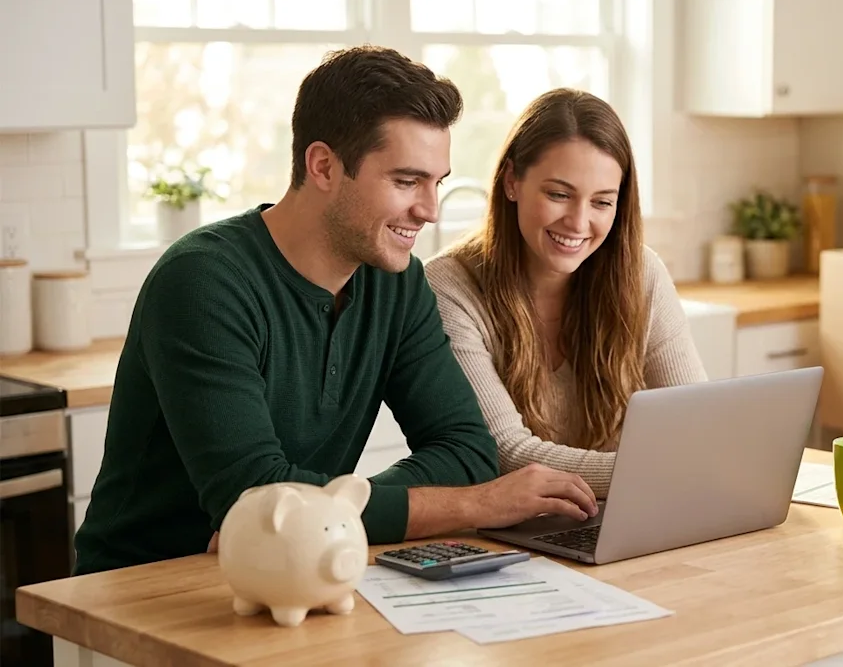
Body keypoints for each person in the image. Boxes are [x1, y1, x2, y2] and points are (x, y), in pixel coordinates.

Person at [72, 46, 599, 576]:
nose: (430, 210)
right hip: (145, 588)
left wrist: (316, 513)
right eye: (406, 181)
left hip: (300, 567)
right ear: (323, 166)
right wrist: (475, 505)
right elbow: (251, 495)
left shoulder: (397, 283)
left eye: (435, 182)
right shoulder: (204, 281)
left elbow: (466, 450)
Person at [424, 88, 708, 499]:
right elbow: (507, 453)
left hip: (626, 518)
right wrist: (659, 471)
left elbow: (696, 421)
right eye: (559, 194)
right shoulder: (451, 288)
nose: (578, 222)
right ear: (511, 182)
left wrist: (687, 464)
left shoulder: (642, 273)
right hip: (511, 540)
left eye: (602, 202)